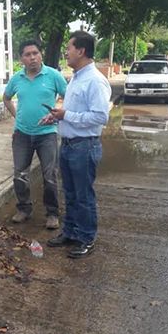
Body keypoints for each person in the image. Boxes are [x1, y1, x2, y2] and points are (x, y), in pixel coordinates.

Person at [43, 31, 111, 259]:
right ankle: (71, 232)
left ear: (81, 51)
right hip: (70, 144)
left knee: (83, 196)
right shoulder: (76, 77)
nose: (66, 52)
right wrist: (57, 116)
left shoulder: (95, 80)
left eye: (69, 48)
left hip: (85, 146)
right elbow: (73, 112)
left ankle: (86, 238)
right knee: (70, 193)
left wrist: (67, 115)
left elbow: (100, 116)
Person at [3, 40, 67, 229]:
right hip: (22, 134)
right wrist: (17, 117)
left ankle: (52, 213)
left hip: (47, 134)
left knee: (50, 175)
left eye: (35, 53)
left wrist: (57, 112)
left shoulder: (53, 76)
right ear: (21, 58)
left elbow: (69, 97)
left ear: (41, 54)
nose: (32, 58)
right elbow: (6, 98)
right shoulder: (17, 78)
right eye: (27, 54)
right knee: (20, 174)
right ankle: (24, 209)